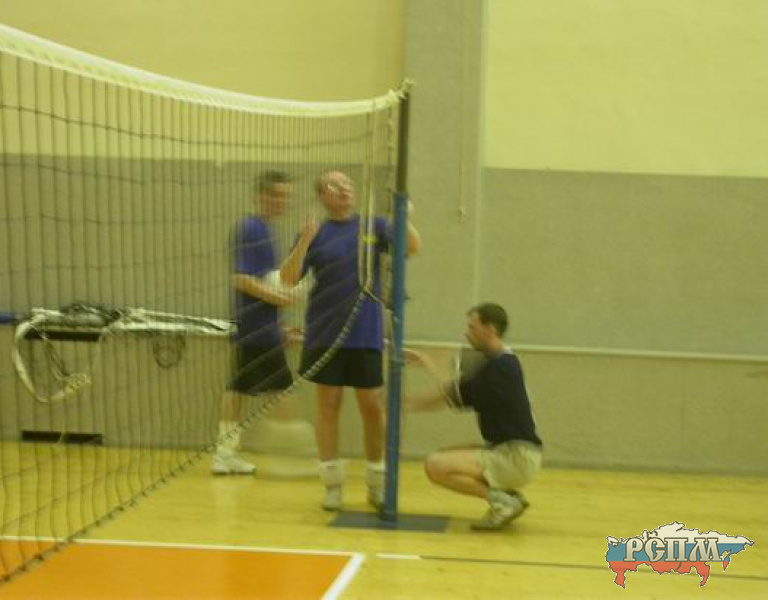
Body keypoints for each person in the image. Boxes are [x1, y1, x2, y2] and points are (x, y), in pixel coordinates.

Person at [281, 170, 421, 511]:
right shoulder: (315, 232)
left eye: (347, 185)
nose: (344, 189)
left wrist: (404, 217)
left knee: (372, 406)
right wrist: (303, 241)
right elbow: (287, 279)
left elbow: (412, 247)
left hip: (365, 333)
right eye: (334, 186)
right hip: (325, 334)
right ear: (322, 196)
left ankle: (377, 482)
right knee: (328, 406)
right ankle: (332, 484)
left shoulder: (374, 226)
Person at [403, 303, 543, 530]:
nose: (467, 333)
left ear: (490, 330)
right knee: (447, 454)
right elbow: (449, 395)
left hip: (516, 458)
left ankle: (502, 501)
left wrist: (427, 365)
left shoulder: (500, 367)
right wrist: (407, 405)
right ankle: (508, 497)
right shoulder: (496, 361)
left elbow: (449, 391)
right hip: (511, 452)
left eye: (472, 327)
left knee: (435, 465)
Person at [212, 170, 298, 475]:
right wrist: (278, 299)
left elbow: (265, 280)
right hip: (252, 327)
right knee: (280, 389)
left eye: (286, 197)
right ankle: (296, 455)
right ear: (261, 196)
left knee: (239, 387)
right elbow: (241, 279)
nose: (282, 202)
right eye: (277, 196)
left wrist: (279, 324)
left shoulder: (268, 231)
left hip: (263, 327)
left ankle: (225, 453)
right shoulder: (250, 228)